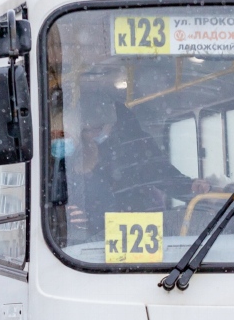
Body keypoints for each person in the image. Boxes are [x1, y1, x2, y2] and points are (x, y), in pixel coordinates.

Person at [62, 87, 209, 238]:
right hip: (91, 230)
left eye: (99, 128)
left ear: (111, 121)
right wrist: (66, 211)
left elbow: (158, 171)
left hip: (134, 219)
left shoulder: (135, 143)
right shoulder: (71, 149)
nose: (95, 134)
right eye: (88, 130)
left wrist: (188, 186)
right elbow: (62, 186)